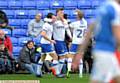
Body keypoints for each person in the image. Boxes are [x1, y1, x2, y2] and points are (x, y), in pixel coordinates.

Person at [72, 0, 120, 83]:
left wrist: (79, 53)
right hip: (106, 51)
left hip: (99, 50)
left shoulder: (102, 8)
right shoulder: (115, 9)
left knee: (116, 77)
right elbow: (117, 35)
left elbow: (89, 31)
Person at [37, 13, 65, 77]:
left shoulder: (49, 24)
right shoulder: (47, 25)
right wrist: (50, 40)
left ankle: (38, 73)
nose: (55, 19)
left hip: (43, 43)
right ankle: (57, 73)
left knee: (42, 58)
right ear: (50, 18)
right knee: (55, 57)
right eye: (53, 18)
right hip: (46, 44)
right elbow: (43, 34)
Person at [67, 9, 87, 78]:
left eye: (76, 15)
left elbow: (68, 27)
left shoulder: (75, 23)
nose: (75, 16)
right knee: (80, 58)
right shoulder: (85, 22)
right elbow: (82, 17)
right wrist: (79, 11)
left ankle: (68, 71)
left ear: (78, 16)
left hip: (75, 42)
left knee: (70, 57)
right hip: (81, 43)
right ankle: (80, 74)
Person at [53, 8, 72, 75]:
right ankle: (57, 72)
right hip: (57, 41)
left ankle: (57, 71)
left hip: (63, 41)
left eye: (63, 13)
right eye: (61, 12)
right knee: (61, 56)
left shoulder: (64, 21)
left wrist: (71, 37)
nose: (62, 14)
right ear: (57, 13)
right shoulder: (54, 21)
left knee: (64, 56)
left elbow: (67, 30)